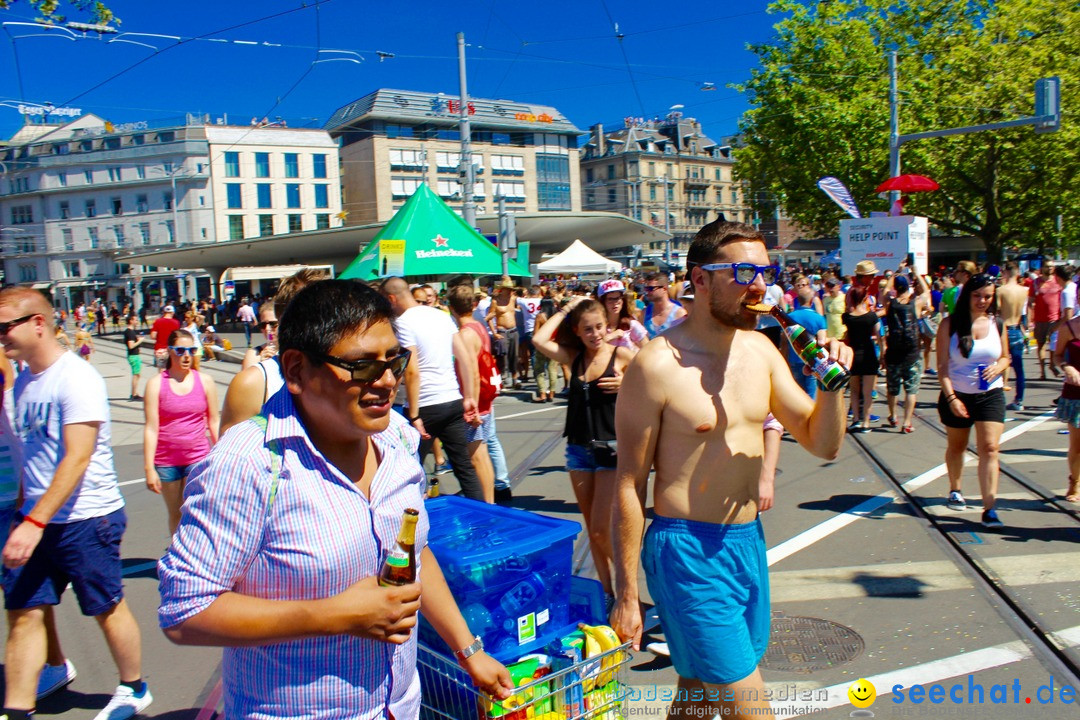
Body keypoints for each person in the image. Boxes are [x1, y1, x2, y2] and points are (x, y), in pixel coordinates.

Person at [157, 280, 512, 719]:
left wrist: (468, 649)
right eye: (361, 365)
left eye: (394, 361)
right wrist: (335, 615)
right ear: (296, 370)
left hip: (400, 707)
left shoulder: (398, 438)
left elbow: (415, 553)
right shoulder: (248, 464)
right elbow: (184, 611)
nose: (385, 381)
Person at [610, 220, 851, 719]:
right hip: (687, 554)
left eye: (764, 271)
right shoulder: (656, 366)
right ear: (699, 279)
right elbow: (630, 485)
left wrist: (831, 386)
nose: (760, 285)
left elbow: (822, 443)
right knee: (748, 709)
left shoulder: (762, 350)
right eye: (743, 272)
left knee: (696, 694)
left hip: (746, 543)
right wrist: (627, 595)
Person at [0, 287, 151, 720]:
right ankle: (18, 709)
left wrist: (33, 521)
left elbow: (77, 457)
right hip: (35, 517)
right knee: (24, 612)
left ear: (38, 324)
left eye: (5, 327)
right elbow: (32, 455)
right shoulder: (24, 380)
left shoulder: (77, 377)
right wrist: (24, 514)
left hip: (86, 519)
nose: (0, 337)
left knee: (105, 607)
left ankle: (133, 688)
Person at [533, 295, 632, 600]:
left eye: (600, 327)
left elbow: (655, 382)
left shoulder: (623, 356)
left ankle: (631, 587)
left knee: (602, 530)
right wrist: (565, 308)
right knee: (592, 528)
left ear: (607, 325)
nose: (595, 334)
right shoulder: (574, 357)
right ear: (577, 330)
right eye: (587, 329)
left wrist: (625, 385)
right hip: (577, 450)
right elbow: (538, 339)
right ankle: (606, 593)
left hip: (610, 449)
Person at [380, 277, 485, 501]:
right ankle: (484, 523)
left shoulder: (403, 323)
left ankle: (414, 523)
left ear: (391, 299)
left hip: (425, 404)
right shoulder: (440, 315)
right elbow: (466, 358)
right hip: (451, 399)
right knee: (464, 468)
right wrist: (469, 397)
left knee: (408, 466)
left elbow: (412, 370)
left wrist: (414, 413)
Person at [936, 274, 1009, 527]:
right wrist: (952, 397)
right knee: (958, 446)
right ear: (967, 295)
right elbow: (943, 367)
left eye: (987, 296)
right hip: (958, 394)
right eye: (977, 295)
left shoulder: (997, 323)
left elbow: (1006, 357)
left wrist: (1000, 365)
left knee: (990, 448)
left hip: (990, 394)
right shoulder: (949, 325)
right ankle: (955, 488)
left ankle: (990, 507)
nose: (982, 301)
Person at [220, 269, 326, 435]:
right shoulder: (253, 383)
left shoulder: (347, 375)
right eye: (310, 317)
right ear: (283, 321)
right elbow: (233, 457)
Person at [143, 330, 219, 535]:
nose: (187, 355)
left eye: (192, 350)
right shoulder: (156, 384)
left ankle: (195, 553)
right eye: (180, 350)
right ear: (170, 351)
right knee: (176, 513)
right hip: (167, 462)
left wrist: (222, 453)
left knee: (197, 511)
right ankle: (178, 553)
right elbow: (151, 427)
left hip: (198, 457)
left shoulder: (205, 381)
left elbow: (213, 421)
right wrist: (149, 468)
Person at [447, 285, 506, 504]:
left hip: (475, 400)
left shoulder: (464, 334)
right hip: (485, 398)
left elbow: (471, 370)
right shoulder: (480, 327)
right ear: (473, 304)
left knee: (476, 455)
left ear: (450, 307)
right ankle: (489, 499)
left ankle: (487, 503)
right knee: (482, 452)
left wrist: (470, 403)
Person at [882, 268, 929, 433]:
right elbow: (926, 292)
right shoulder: (915, 303)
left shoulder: (890, 303)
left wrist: (893, 275)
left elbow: (886, 291)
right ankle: (907, 422)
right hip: (911, 353)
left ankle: (893, 415)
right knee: (911, 389)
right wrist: (916, 273)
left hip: (894, 352)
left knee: (892, 388)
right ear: (908, 287)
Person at [1053, 286, 1080, 503]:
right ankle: (1075, 482)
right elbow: (1058, 355)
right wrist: (1066, 367)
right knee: (1077, 445)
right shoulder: (1070, 327)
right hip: (1076, 393)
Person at [842, 286, 881, 432]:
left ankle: (856, 419)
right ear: (865, 298)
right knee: (867, 391)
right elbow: (879, 335)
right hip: (869, 355)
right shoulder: (872, 316)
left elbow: (846, 335)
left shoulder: (847, 317)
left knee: (854, 390)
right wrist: (882, 353)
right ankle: (866, 422)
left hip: (853, 356)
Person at [997, 262, 1030, 411]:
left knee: (1000, 365)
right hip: (1017, 328)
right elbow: (1024, 312)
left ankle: (999, 401)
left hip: (1004, 329)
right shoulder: (1023, 290)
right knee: (1019, 368)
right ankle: (1019, 400)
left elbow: (996, 311)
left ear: (1006, 272)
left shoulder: (1001, 290)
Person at [486, 277, 525, 389]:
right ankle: (503, 379)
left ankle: (514, 378)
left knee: (515, 355)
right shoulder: (495, 301)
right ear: (502, 289)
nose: (509, 291)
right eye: (507, 289)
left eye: (510, 289)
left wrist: (508, 278)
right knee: (503, 357)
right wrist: (494, 333)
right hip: (502, 330)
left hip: (513, 330)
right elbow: (489, 317)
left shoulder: (512, 299)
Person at [596, 279, 648, 353]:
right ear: (602, 302)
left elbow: (647, 348)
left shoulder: (631, 324)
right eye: (610, 299)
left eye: (618, 298)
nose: (615, 303)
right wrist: (610, 337)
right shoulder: (597, 326)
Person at [642, 272, 686, 338]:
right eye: (646, 289)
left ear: (664, 289)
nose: (647, 292)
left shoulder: (679, 313)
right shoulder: (644, 313)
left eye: (650, 289)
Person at [241, 303, 279, 370]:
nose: (267, 329)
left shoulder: (296, 351)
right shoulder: (254, 355)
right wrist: (260, 365)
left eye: (273, 324)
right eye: (263, 325)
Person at [150, 305, 180, 369]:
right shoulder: (176, 323)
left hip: (160, 349)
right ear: (173, 313)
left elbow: (153, 336)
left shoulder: (157, 321)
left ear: (164, 312)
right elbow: (177, 336)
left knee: (162, 370)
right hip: (172, 349)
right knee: (172, 369)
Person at [124, 314, 145, 401]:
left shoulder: (129, 331)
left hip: (133, 355)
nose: (137, 322)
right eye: (135, 320)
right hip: (133, 356)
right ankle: (134, 394)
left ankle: (134, 393)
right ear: (131, 321)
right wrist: (140, 341)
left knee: (137, 374)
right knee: (136, 375)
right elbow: (131, 346)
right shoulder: (130, 332)